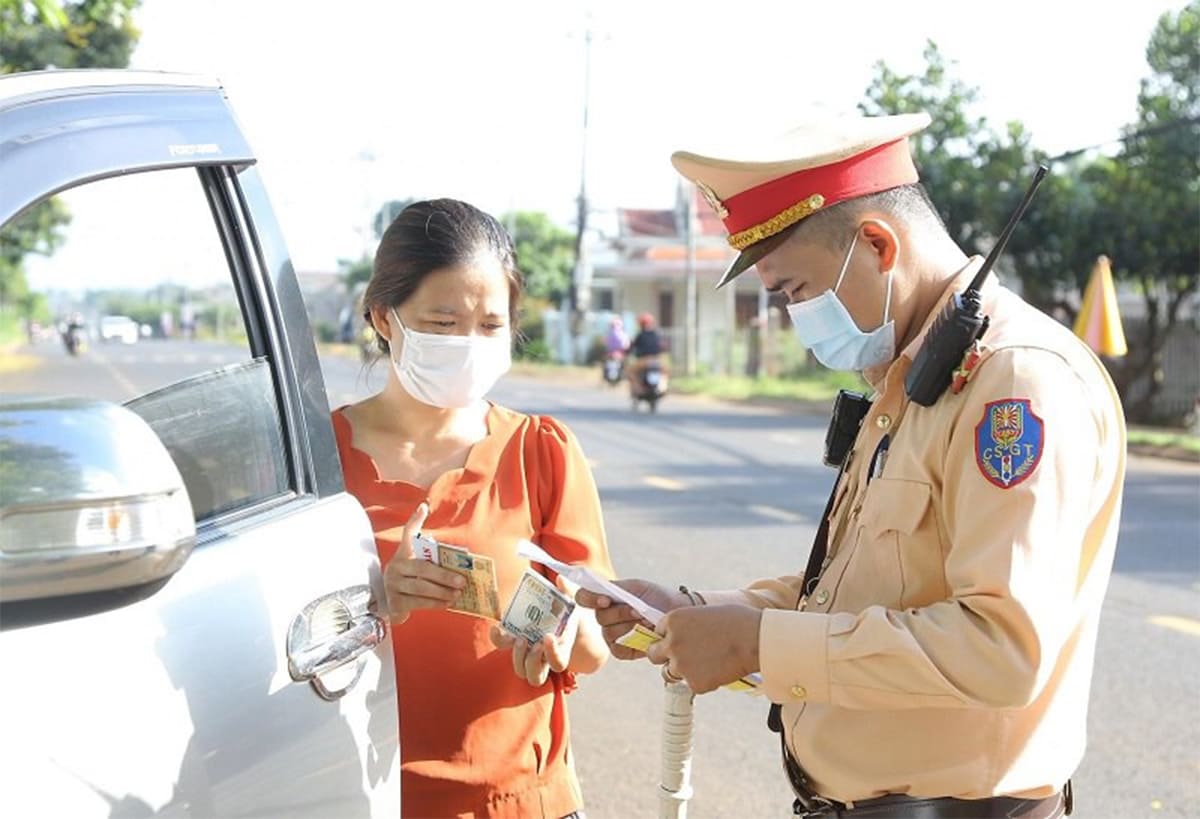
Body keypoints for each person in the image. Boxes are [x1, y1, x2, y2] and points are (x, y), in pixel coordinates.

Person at [579, 113, 1125, 818]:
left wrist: (756, 641)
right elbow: (864, 593)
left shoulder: (1012, 381)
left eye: (795, 292)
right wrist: (697, 611)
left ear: (875, 244)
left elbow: (1000, 648)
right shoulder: (911, 374)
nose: (792, 321)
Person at [335, 198, 613, 818]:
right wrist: (380, 604)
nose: (468, 343)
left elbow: (597, 640)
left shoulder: (541, 451)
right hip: (361, 799)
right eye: (441, 323)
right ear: (385, 317)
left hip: (519, 802)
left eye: (490, 325)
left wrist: (564, 638)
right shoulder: (319, 464)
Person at [625, 312, 665, 389]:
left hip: (644, 360)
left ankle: (638, 389)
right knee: (664, 372)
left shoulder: (640, 335)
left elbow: (632, 347)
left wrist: (627, 352)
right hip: (657, 360)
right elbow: (662, 346)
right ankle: (662, 387)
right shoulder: (656, 334)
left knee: (631, 372)